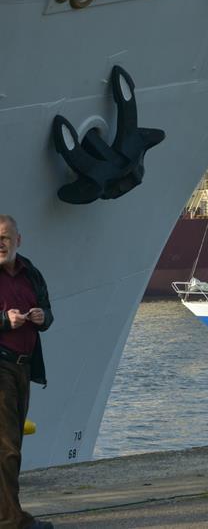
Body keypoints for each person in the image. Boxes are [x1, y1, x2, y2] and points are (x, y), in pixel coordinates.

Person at [0, 215, 54, 529]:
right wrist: (4, 321)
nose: (0, 244)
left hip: (23, 366)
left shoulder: (29, 272)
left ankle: (10, 514)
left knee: (13, 443)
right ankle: (11, 520)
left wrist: (41, 316)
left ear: (18, 240)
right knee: (6, 446)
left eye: (6, 237)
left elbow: (48, 311)